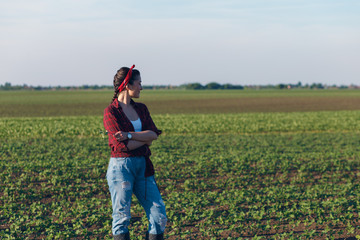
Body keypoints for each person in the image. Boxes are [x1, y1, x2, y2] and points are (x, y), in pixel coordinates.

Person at [103, 65, 167, 240]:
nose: (141, 87)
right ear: (127, 85)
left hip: (143, 167)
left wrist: (130, 135)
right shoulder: (111, 112)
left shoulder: (141, 109)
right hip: (121, 168)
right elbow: (121, 146)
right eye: (139, 83)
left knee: (159, 215)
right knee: (121, 217)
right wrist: (144, 141)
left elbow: (154, 134)